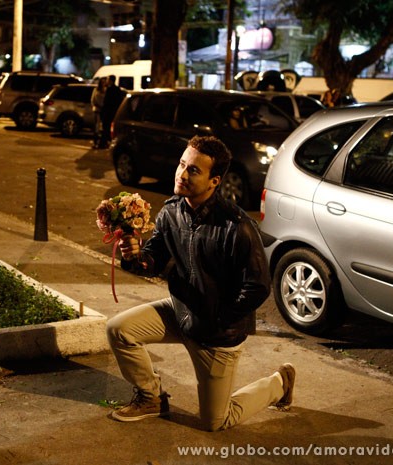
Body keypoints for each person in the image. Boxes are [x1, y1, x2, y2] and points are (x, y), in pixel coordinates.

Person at [106, 135, 295, 431]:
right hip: (181, 311)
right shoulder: (172, 211)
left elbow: (258, 286)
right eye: (182, 164)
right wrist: (136, 256)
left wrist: (220, 320)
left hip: (217, 332)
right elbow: (154, 257)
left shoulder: (237, 227)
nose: (182, 174)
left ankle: (278, 384)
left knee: (215, 422)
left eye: (193, 170)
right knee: (119, 329)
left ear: (214, 181)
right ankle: (151, 398)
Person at [99, 75, 125, 149]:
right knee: (110, 128)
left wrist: (103, 111)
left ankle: (103, 143)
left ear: (110, 80)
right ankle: (107, 142)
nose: (107, 81)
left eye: (108, 79)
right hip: (114, 112)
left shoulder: (109, 90)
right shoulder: (118, 90)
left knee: (105, 128)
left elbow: (106, 102)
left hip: (108, 112)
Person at [91, 76, 107, 148]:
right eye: (102, 81)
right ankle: (95, 142)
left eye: (105, 81)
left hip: (103, 110)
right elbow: (92, 100)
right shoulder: (96, 90)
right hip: (97, 110)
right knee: (96, 127)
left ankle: (101, 142)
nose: (103, 83)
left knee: (102, 127)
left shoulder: (106, 90)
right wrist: (96, 105)